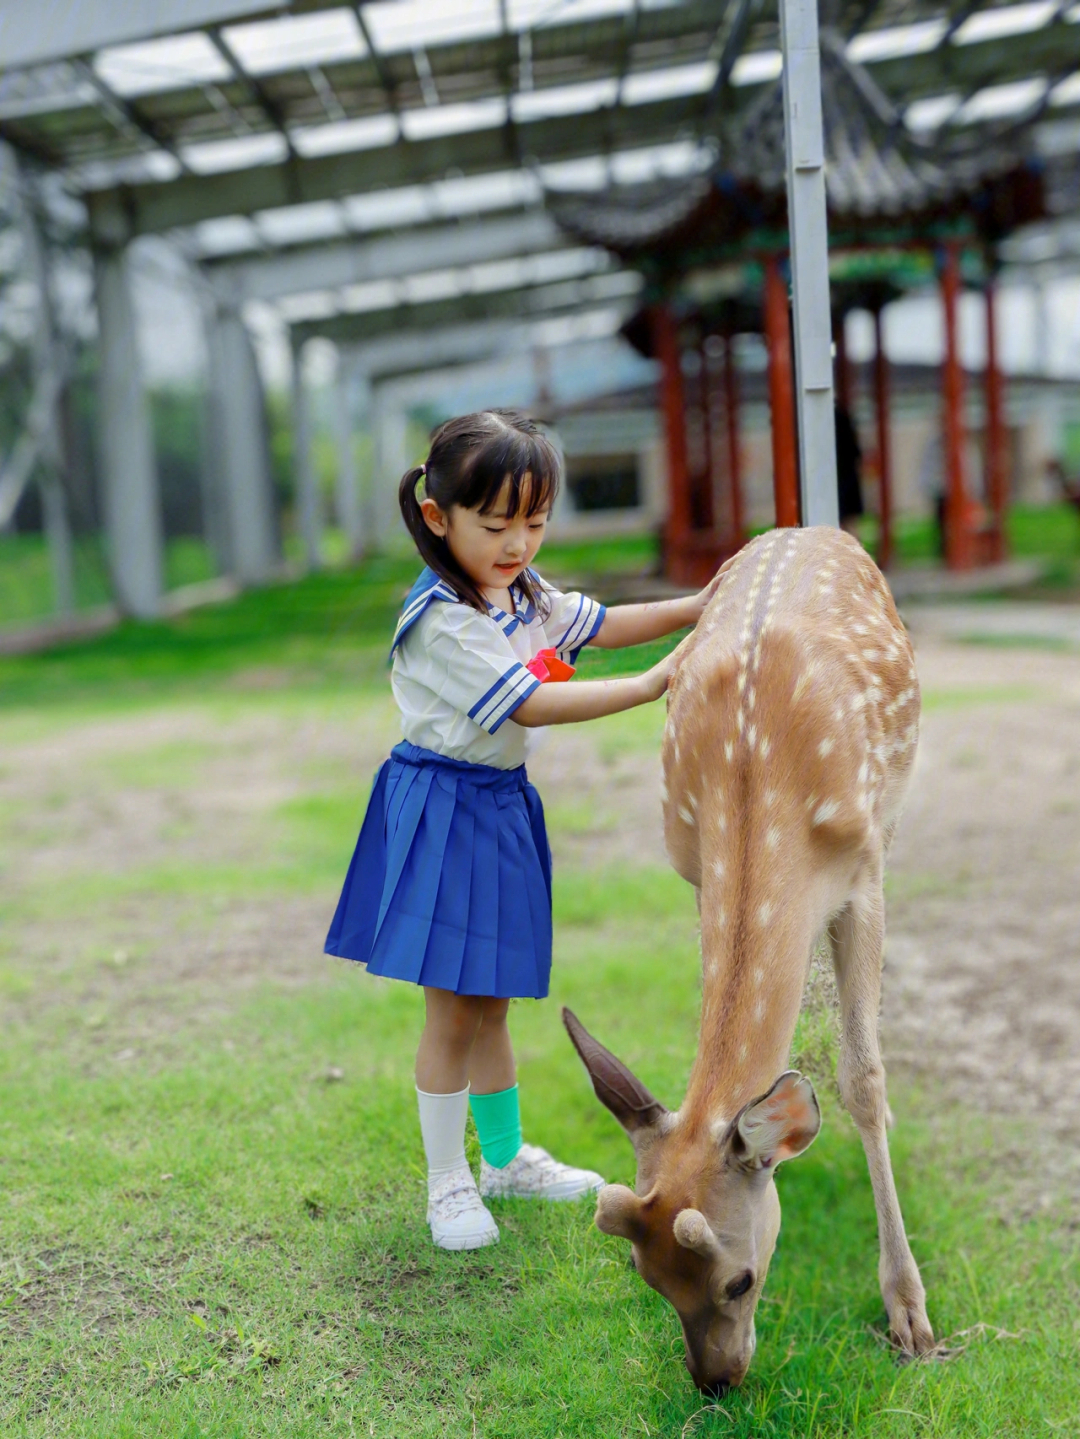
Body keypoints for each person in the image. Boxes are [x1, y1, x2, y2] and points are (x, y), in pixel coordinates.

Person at [326, 409, 712, 1251]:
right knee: (453, 1009)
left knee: (493, 995)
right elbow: (531, 700)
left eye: (534, 523)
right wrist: (650, 686)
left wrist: (702, 605)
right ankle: (446, 1183)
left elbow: (596, 621)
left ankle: (503, 1161)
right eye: (496, 524)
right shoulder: (442, 620)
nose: (519, 544)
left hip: (499, 803)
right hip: (444, 809)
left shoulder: (519, 589)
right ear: (439, 518)